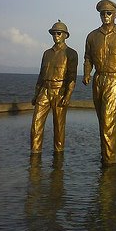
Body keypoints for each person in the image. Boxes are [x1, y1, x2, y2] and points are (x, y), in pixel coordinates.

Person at [83, 0, 116, 165]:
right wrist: (87, 73)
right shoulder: (92, 36)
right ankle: (106, 155)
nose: (105, 16)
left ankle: (109, 162)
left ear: (115, 15)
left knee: (108, 122)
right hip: (99, 80)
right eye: (102, 13)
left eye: (109, 13)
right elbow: (87, 57)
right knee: (103, 123)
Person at [31, 20, 78, 154]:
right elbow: (41, 75)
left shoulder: (71, 53)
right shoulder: (47, 53)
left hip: (60, 91)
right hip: (44, 90)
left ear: (65, 35)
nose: (56, 35)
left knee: (58, 126)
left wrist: (68, 96)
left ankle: (58, 155)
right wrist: (36, 94)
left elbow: (72, 77)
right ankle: (35, 152)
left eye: (59, 33)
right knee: (36, 123)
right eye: (53, 33)